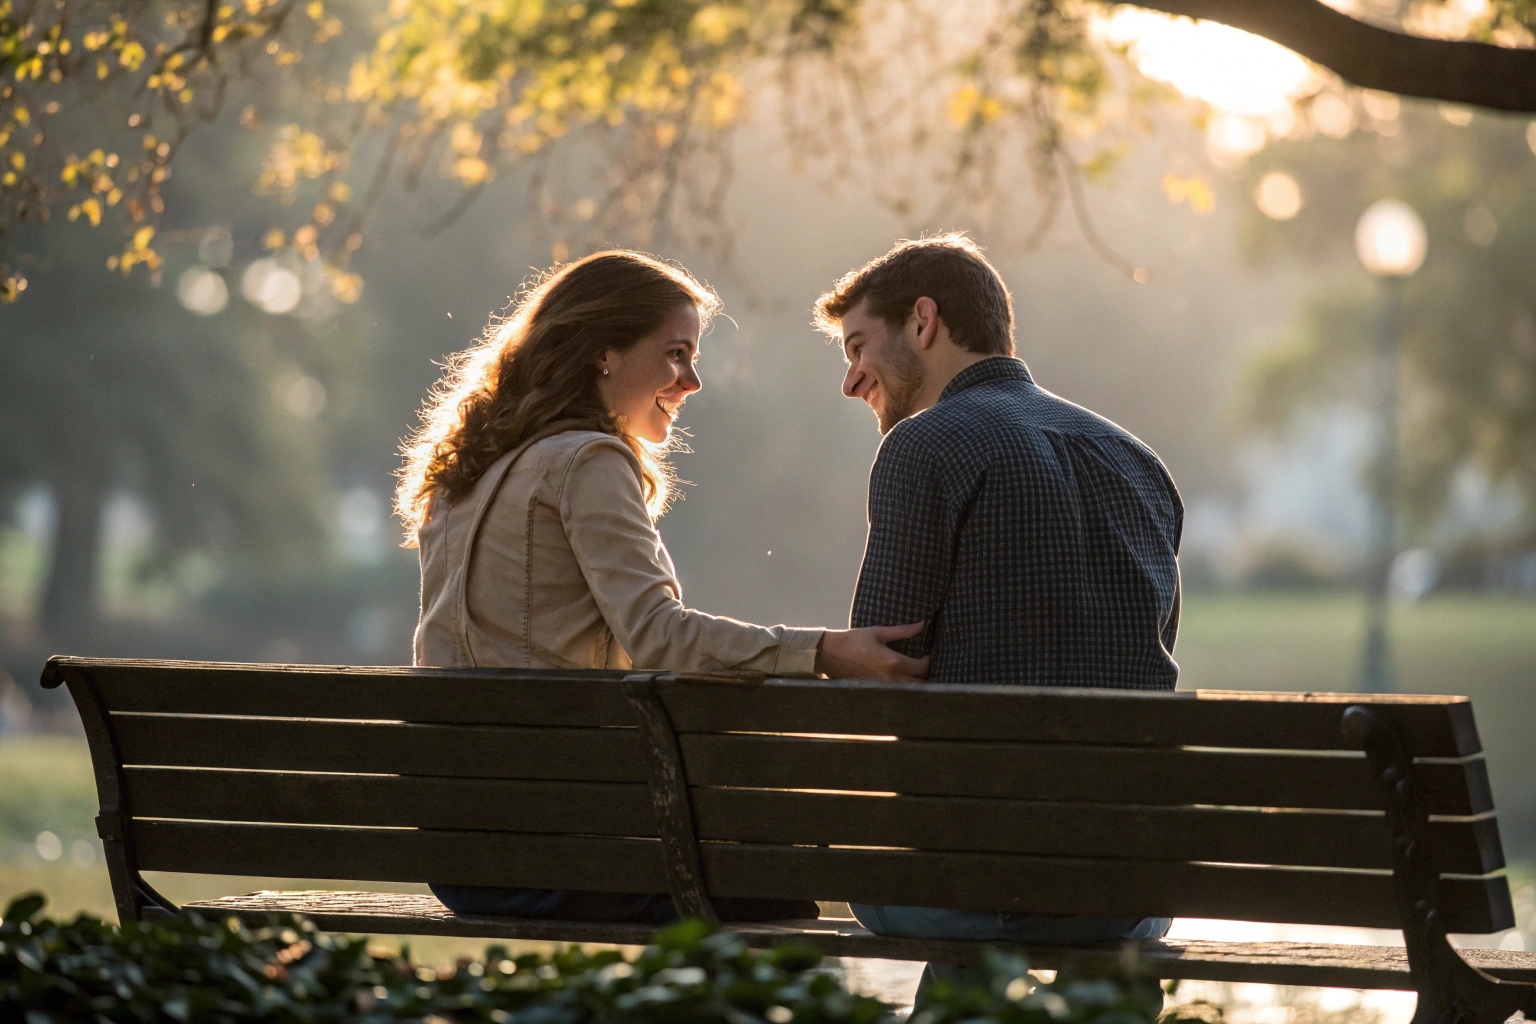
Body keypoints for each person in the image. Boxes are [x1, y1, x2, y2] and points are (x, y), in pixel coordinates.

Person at [395, 249, 929, 925]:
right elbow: (659, 636)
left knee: (770, 855)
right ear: (603, 353)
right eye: (675, 353)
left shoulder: (461, 479)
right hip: (557, 850)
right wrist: (824, 651)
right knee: (785, 880)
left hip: (463, 857)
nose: (692, 380)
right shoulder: (586, 459)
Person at [811, 234, 1182, 995]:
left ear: (923, 321)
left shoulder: (924, 447)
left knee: (960, 880)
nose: (850, 382)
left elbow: (878, 676)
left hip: (967, 888)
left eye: (857, 347)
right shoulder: (1140, 463)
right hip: (1126, 898)